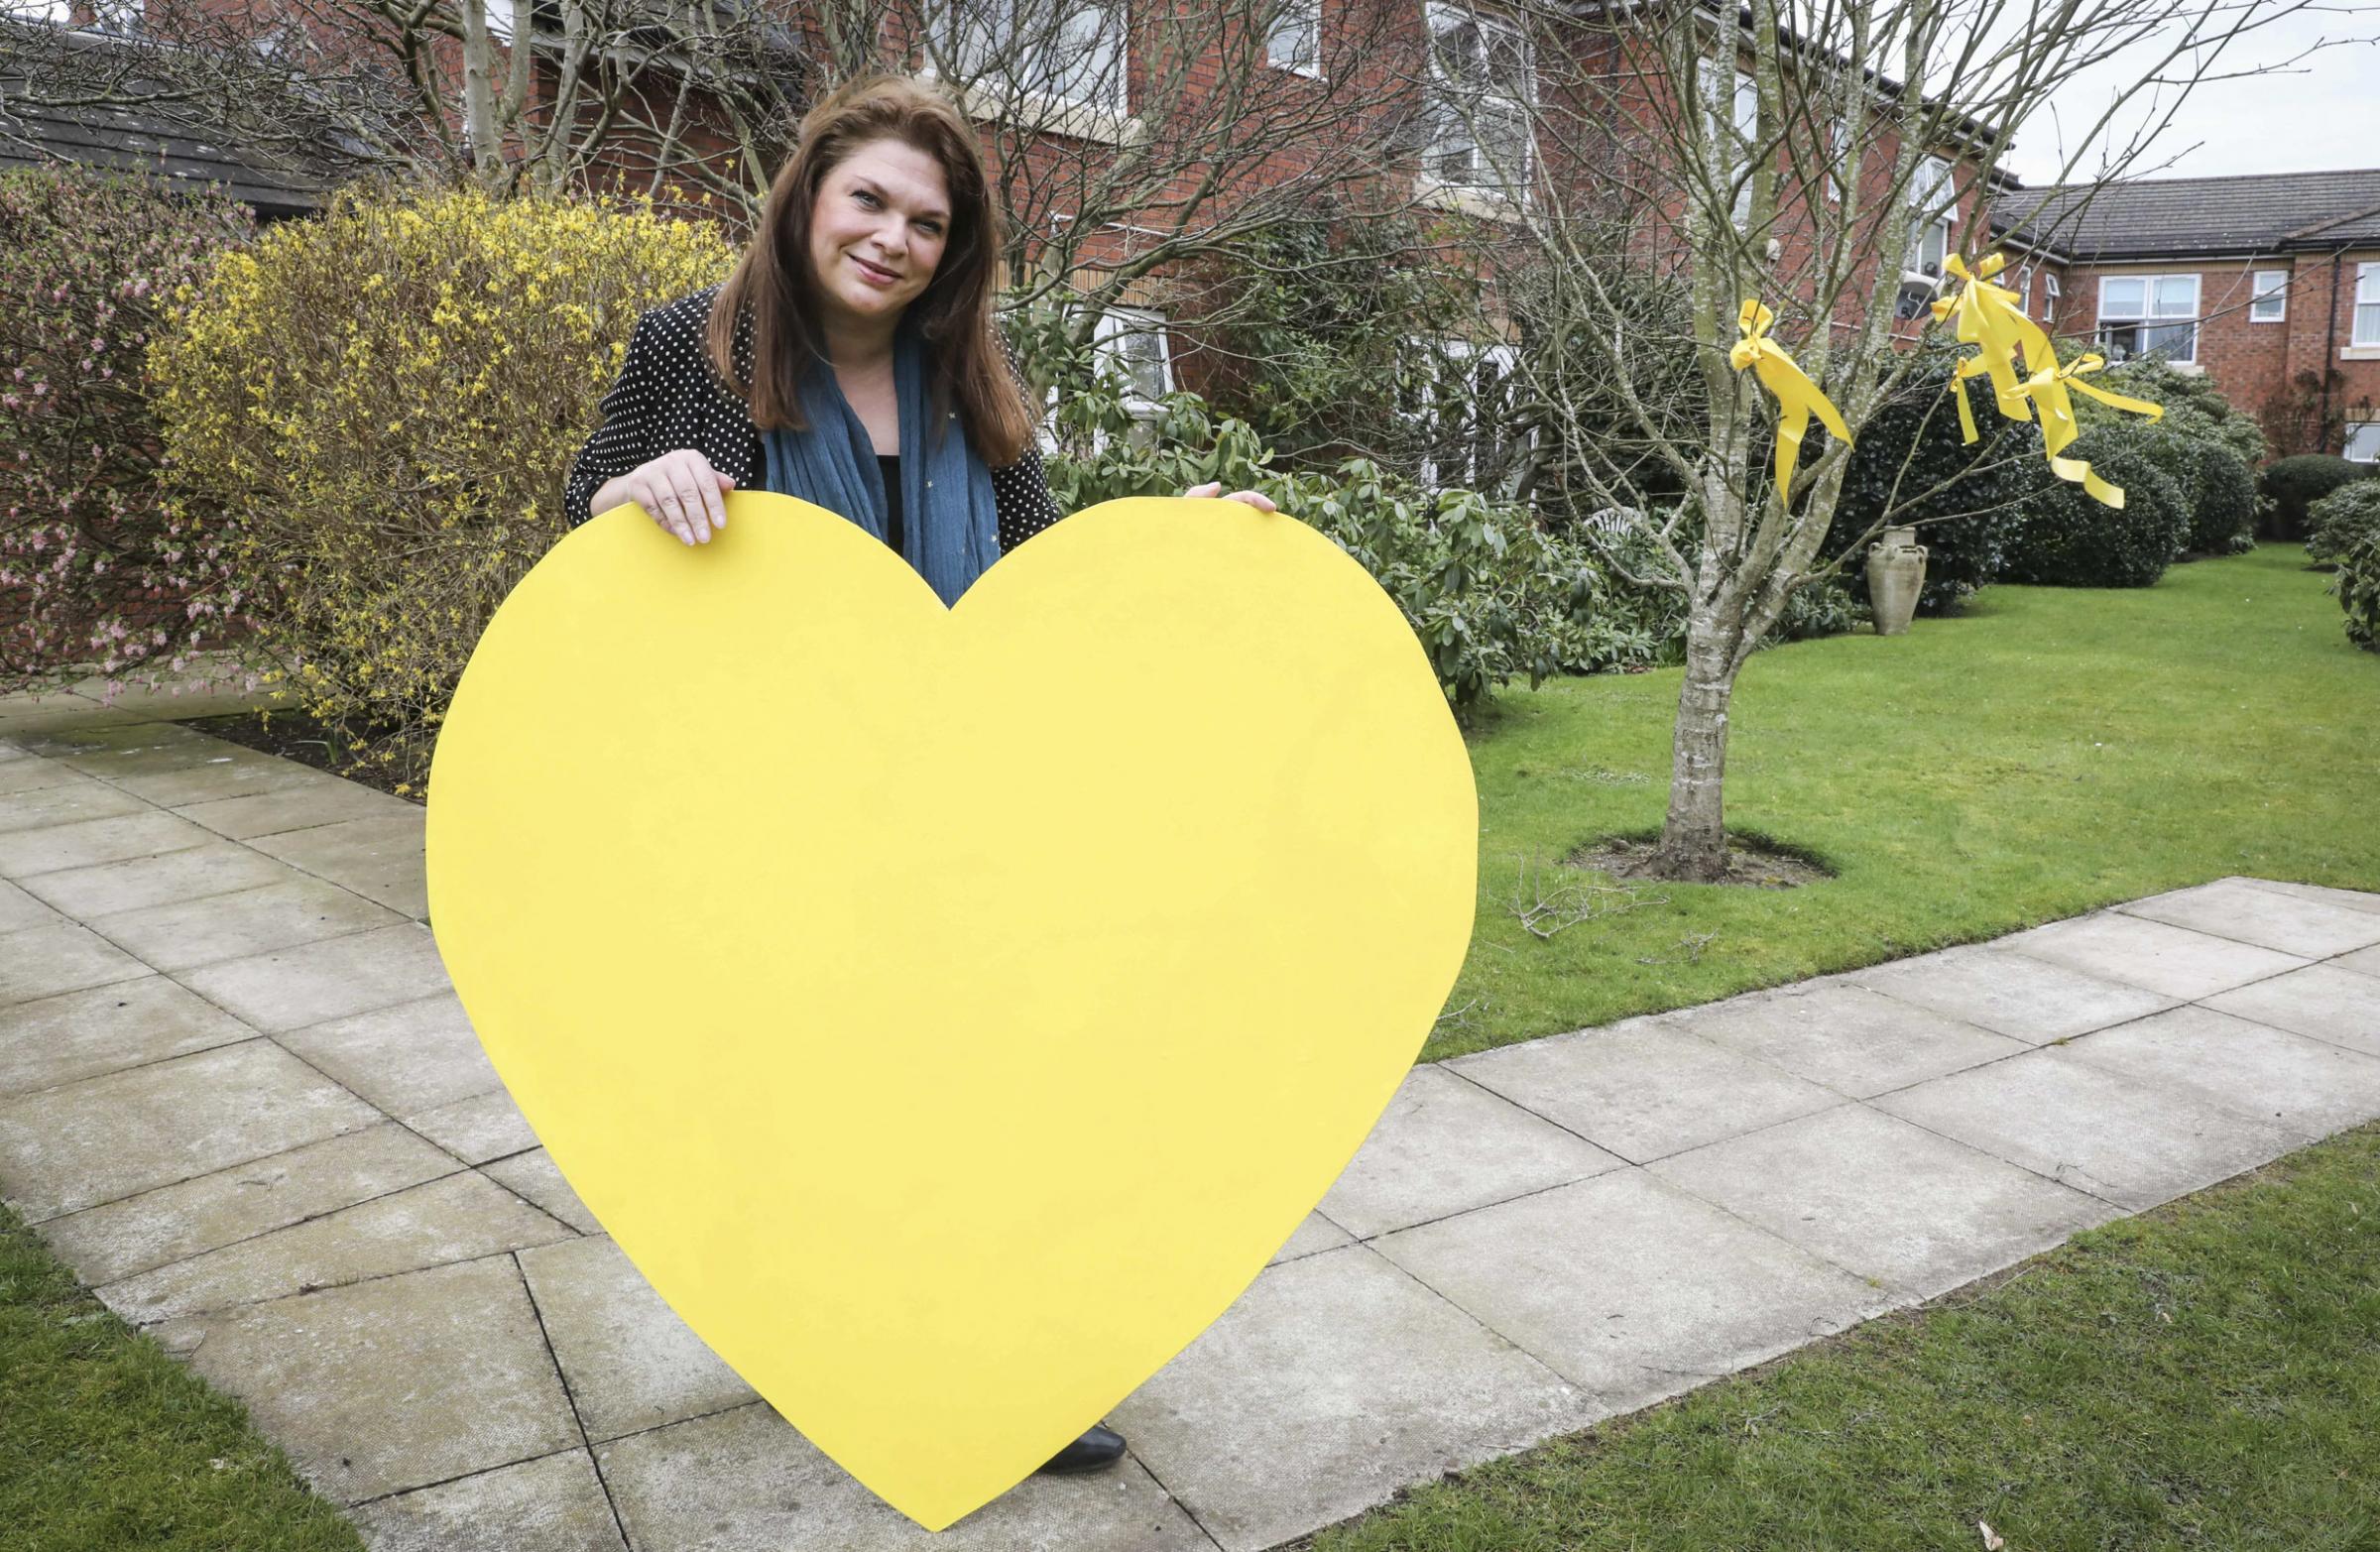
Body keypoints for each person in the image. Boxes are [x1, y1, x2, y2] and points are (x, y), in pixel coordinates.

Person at [562, 73, 1272, 1479]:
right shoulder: (694, 351)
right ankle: (831, 1343)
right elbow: (581, 500)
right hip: (784, 804)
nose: (892, 236)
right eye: (870, 199)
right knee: (825, 1098)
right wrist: (629, 493)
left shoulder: (972, 384)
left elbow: (1038, 585)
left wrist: (1167, 546)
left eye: (927, 221)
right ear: (810, 199)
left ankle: (1018, 1372)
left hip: (968, 805)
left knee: (994, 1093)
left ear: (955, 252)